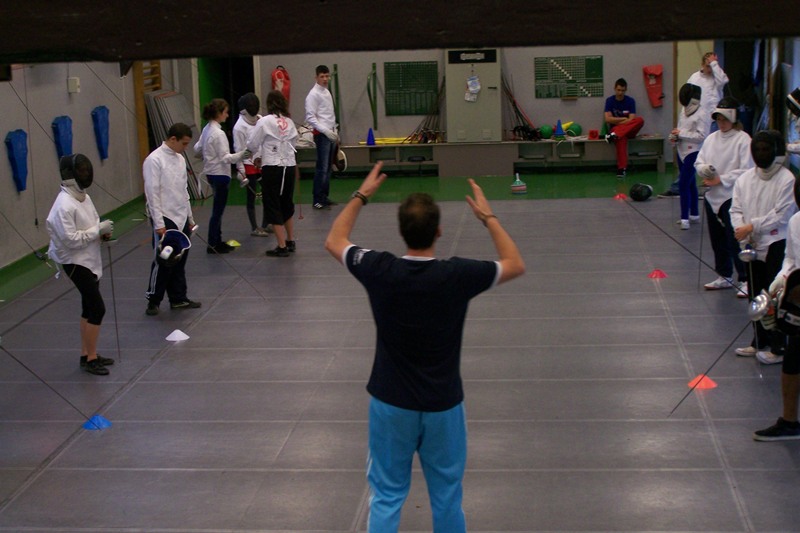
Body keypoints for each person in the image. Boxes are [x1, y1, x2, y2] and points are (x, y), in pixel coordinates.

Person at [324, 162, 525, 532]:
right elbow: (514, 263)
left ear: (401, 232)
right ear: (439, 231)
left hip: (391, 404)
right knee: (447, 496)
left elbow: (335, 240)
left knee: (386, 494)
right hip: (443, 405)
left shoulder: (379, 269)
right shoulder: (457, 275)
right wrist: (488, 218)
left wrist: (361, 195)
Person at [46, 154, 115, 376]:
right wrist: (97, 230)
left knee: (88, 307)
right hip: (74, 260)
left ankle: (86, 355)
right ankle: (91, 359)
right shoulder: (63, 206)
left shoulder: (84, 197)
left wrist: (102, 232)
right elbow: (71, 240)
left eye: (86, 170)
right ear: (71, 175)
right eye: (81, 171)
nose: (85, 174)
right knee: (97, 308)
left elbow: (92, 223)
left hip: (89, 257)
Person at [731, 130, 795, 363]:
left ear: (776, 151)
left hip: (776, 243)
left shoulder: (786, 179)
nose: (761, 153)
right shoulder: (745, 179)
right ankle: (759, 340)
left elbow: (782, 215)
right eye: (757, 149)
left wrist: (752, 226)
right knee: (755, 293)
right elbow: (735, 209)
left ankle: (778, 346)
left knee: (774, 296)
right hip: (751, 243)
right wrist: (741, 229)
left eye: (766, 149)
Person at [694, 96, 753, 298]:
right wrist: (705, 170)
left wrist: (721, 179)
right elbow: (699, 162)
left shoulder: (743, 139)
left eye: (725, 119)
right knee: (717, 239)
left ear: (734, 118)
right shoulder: (711, 139)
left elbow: (747, 170)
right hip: (712, 196)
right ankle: (724, 275)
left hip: (732, 197)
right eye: (718, 119)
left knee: (735, 239)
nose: (721, 122)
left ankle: (745, 278)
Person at [755, 178, 800, 440]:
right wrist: (778, 283)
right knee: (792, 361)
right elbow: (791, 260)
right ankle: (790, 422)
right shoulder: (795, 222)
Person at [143, 123, 202, 316]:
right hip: (165, 217)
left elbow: (184, 191)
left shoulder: (180, 159)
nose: (185, 148)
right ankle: (153, 300)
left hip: (181, 216)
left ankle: (178, 298)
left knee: (180, 259)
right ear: (173, 139)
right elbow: (152, 193)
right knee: (164, 260)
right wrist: (159, 223)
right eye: (183, 143)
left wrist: (190, 218)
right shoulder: (154, 160)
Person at [660, 52, 730, 198]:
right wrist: (681, 127)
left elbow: (724, 80)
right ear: (702, 64)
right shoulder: (694, 78)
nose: (710, 68)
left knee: (712, 155)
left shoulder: (717, 78)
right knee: (690, 158)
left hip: (713, 121)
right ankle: (678, 187)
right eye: (708, 65)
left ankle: (709, 185)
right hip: (695, 121)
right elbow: (686, 99)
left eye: (713, 65)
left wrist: (714, 64)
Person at [194, 98, 250, 254]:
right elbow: (226, 158)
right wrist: (243, 154)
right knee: (218, 211)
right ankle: (213, 243)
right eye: (225, 112)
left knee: (217, 210)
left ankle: (216, 240)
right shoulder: (219, 134)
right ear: (218, 113)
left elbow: (197, 149)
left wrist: (208, 155)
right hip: (220, 175)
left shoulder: (206, 129)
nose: (227, 115)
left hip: (211, 174)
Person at [247, 90, 299, 257]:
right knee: (286, 202)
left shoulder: (264, 121)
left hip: (273, 167)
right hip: (289, 166)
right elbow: (294, 143)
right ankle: (290, 240)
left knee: (272, 203)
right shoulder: (290, 122)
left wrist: (256, 155)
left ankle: (282, 246)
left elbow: (252, 143)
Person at [670, 83, 710, 229]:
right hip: (681, 150)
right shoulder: (684, 110)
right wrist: (675, 137)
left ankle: (684, 219)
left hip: (694, 152)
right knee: (691, 183)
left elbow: (701, 136)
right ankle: (694, 214)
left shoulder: (702, 113)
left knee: (683, 183)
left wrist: (681, 134)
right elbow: (681, 129)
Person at [232, 92, 270, 237]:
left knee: (268, 194)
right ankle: (255, 228)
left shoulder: (260, 120)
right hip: (248, 166)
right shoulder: (239, 127)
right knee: (251, 197)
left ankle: (266, 224)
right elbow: (238, 150)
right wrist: (241, 171)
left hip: (262, 163)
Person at [305, 64, 339, 210]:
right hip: (322, 136)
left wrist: (335, 131)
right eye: (322, 76)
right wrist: (325, 131)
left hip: (331, 134)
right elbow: (310, 117)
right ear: (316, 77)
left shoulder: (327, 92)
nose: (325, 79)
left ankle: (324, 197)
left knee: (328, 168)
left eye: (327, 76)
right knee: (322, 168)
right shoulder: (313, 95)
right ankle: (317, 199)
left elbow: (329, 115)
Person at [603, 78, 645, 178]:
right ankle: (621, 169)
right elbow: (608, 119)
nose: (620, 93)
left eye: (622, 90)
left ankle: (615, 135)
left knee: (640, 120)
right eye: (618, 90)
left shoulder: (630, 101)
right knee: (621, 138)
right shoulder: (609, 101)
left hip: (629, 130)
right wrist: (623, 119)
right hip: (615, 129)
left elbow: (632, 120)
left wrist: (617, 120)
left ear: (625, 90)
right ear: (615, 89)